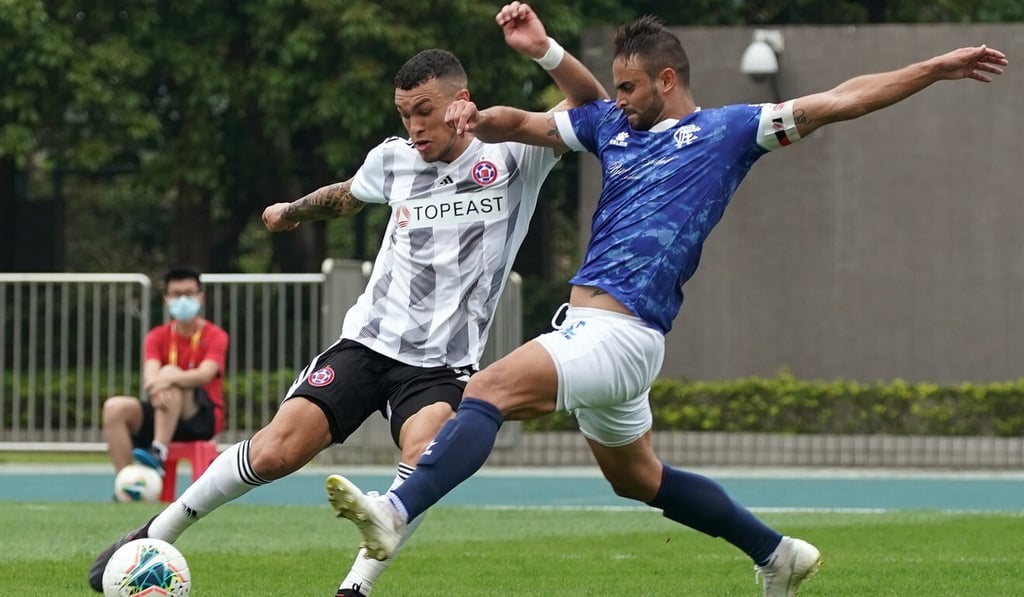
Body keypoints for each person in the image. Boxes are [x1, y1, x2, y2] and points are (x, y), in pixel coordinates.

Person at [323, 15, 1009, 597]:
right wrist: (489, 107)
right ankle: (778, 554)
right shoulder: (613, 130)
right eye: (614, 87)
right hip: (590, 334)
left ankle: (396, 508)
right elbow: (527, 123)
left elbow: (842, 99)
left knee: (489, 387)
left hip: (622, 335)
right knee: (639, 478)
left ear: (668, 80)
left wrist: (933, 67)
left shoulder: (730, 131)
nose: (617, 100)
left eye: (629, 87)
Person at [87, 3, 607, 595]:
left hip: (441, 366)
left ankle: (354, 587)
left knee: (424, 455)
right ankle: (156, 530)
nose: (415, 127)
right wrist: (292, 211)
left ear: (461, 101)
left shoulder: (517, 151)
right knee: (278, 451)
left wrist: (541, 48)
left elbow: (589, 104)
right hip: (366, 342)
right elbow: (348, 194)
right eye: (405, 114)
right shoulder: (394, 159)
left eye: (425, 112)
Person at [101, 267, 228, 477]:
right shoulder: (156, 336)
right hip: (162, 407)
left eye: (189, 293)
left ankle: (158, 450)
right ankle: (128, 481)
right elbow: (149, 379)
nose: (183, 300)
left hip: (201, 417)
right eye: (177, 294)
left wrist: (168, 377)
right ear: (166, 299)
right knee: (114, 407)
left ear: (201, 297)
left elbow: (205, 374)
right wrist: (159, 385)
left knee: (170, 373)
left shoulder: (216, 335)